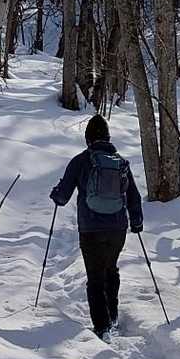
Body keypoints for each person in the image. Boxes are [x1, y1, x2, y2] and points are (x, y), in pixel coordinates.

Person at [49, 114, 144, 340]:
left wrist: (56, 194)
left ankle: (102, 327)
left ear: (88, 138)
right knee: (110, 268)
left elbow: (62, 197)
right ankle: (112, 316)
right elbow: (134, 196)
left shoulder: (80, 161)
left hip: (91, 228)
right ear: (108, 137)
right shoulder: (120, 162)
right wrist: (137, 222)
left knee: (95, 276)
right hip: (117, 228)